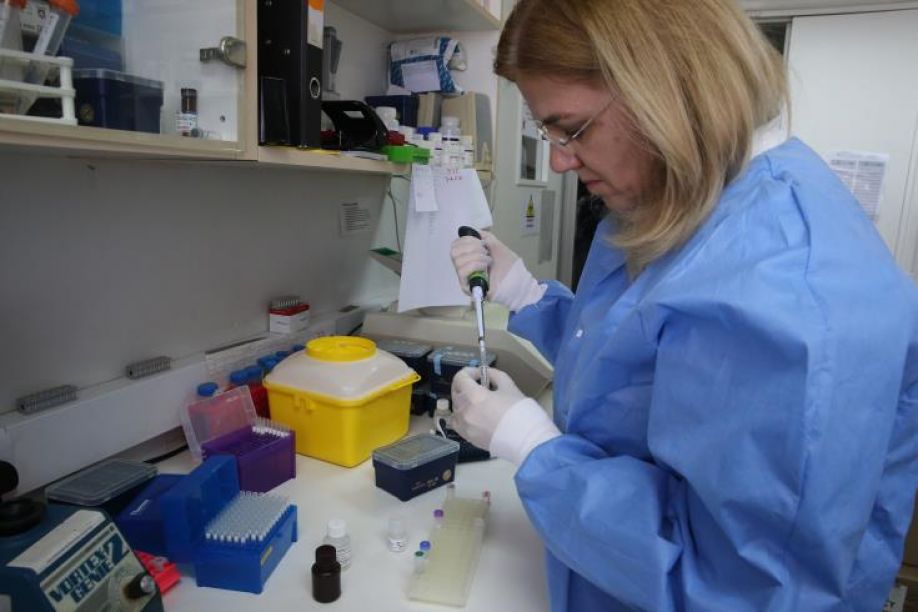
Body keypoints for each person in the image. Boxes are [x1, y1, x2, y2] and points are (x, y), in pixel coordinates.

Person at [448, 1, 918, 610]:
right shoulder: (677, 198)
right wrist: (525, 293)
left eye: (573, 129)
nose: (560, 160)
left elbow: (735, 587)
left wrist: (533, 446)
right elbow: (629, 370)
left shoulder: (785, 289)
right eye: (548, 134)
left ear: (665, 89)